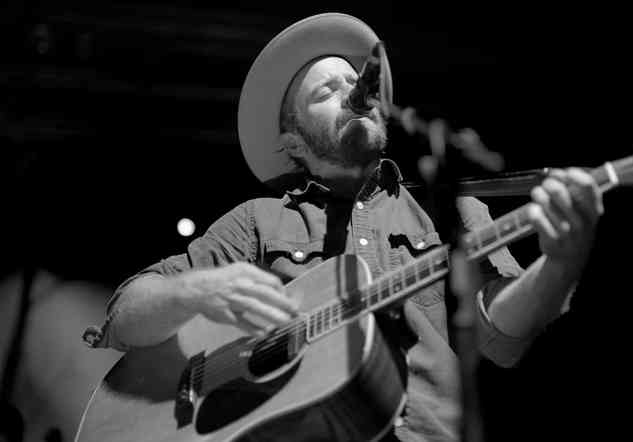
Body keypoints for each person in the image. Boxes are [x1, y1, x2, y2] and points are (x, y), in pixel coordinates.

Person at [83, 13, 603, 442]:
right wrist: (195, 291)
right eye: (327, 91)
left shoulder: (455, 213)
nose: (354, 93)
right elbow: (126, 315)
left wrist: (560, 264)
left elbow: (501, 340)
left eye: (356, 83)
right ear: (294, 141)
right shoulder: (256, 224)